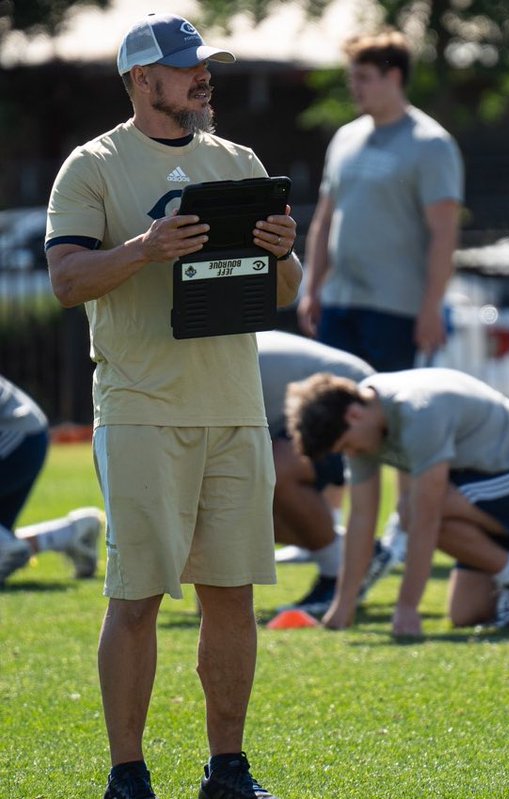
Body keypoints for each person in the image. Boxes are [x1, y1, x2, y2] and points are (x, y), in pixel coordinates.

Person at [45, 13, 303, 799]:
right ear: (140, 80)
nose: (203, 77)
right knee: (138, 594)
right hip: (141, 407)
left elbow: (285, 291)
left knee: (232, 593)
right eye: (186, 67)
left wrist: (282, 249)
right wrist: (142, 251)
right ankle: (128, 775)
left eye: (205, 65)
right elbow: (65, 282)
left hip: (232, 407)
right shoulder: (91, 167)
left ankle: (228, 769)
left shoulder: (238, 158)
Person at [285, 368, 509, 636]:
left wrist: (407, 607)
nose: (350, 453)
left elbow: (426, 518)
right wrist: (343, 605)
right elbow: (361, 518)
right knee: (468, 614)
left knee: (413, 509)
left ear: (354, 414)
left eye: (347, 446)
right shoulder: (365, 422)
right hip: (489, 491)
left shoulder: (418, 411)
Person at [298, 30, 463, 372]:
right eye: (352, 78)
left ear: (394, 76)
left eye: (364, 78)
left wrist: (432, 308)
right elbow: (325, 220)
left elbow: (444, 234)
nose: (354, 87)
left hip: (396, 309)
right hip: (338, 304)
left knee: (385, 413)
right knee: (334, 414)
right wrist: (312, 290)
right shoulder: (345, 137)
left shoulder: (431, 144)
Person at [257, 330, 400, 616]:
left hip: (342, 402)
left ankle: (337, 573)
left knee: (278, 471)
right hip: (297, 402)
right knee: (240, 500)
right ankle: (355, 551)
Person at [0, 375, 104, 586]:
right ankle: (70, 534)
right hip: (25, 432)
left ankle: (6, 547)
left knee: (6, 547)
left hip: (15, 434)